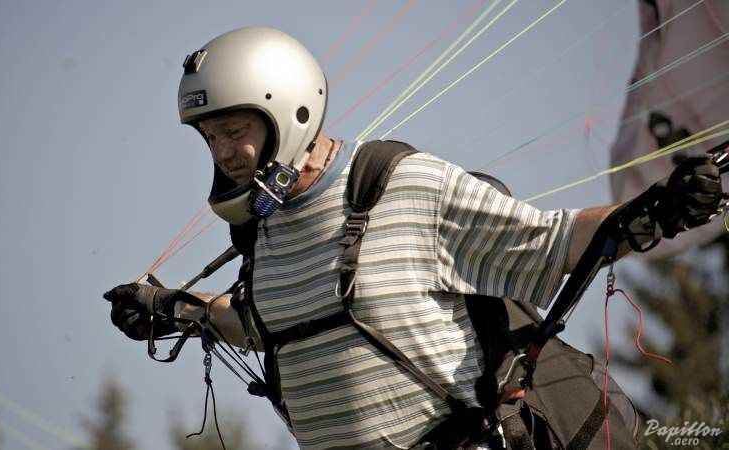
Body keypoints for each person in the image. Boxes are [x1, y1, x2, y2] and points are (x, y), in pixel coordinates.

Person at [103, 27, 726, 449]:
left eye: (234, 131)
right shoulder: (260, 231)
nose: (221, 153)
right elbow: (262, 323)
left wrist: (657, 209)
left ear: (289, 111)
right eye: (209, 137)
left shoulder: (401, 184)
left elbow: (553, 241)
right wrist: (176, 308)